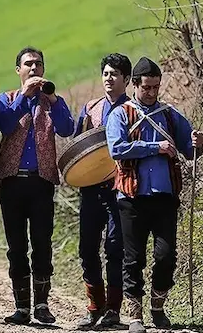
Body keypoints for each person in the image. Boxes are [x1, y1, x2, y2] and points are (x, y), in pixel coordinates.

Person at [105, 56, 203, 333]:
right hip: (131, 197)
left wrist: (198, 142)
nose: (151, 93)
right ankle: (135, 316)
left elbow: (188, 148)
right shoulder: (121, 114)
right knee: (133, 258)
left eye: (155, 88)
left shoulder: (170, 114)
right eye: (146, 87)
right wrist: (155, 147)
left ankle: (158, 308)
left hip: (165, 196)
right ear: (134, 84)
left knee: (166, 255)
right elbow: (117, 149)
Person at [0, 46, 74, 325]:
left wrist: (51, 98)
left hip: (41, 182)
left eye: (38, 64)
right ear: (18, 70)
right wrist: (23, 98)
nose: (34, 68)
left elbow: (66, 129)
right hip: (12, 182)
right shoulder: (8, 99)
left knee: (42, 244)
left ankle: (41, 304)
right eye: (28, 64)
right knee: (16, 246)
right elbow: (2, 125)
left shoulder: (52, 102)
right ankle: (21, 307)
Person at [73, 53, 132, 330]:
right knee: (87, 248)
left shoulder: (134, 110)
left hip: (120, 191)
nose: (109, 78)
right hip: (90, 190)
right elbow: (78, 146)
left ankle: (114, 310)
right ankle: (94, 307)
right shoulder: (91, 108)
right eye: (106, 73)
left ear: (127, 80)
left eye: (115, 74)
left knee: (115, 248)